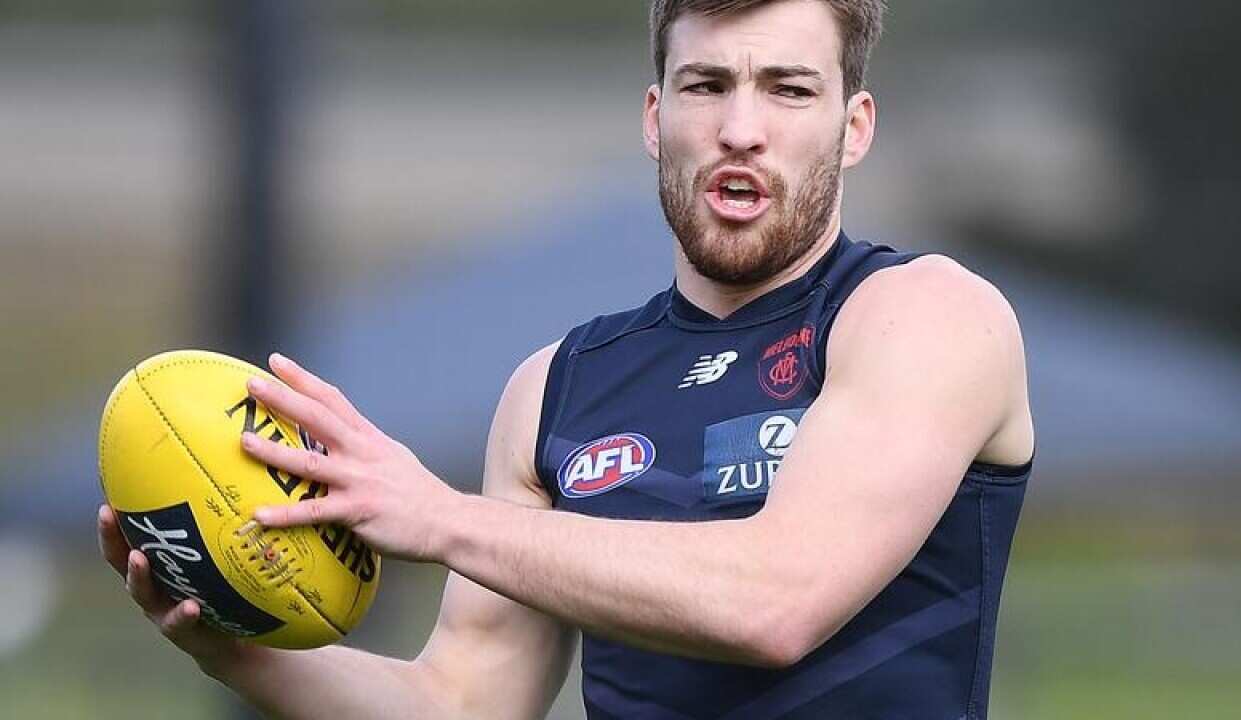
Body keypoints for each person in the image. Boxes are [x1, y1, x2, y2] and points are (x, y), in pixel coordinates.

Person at [97, 0, 1035, 717]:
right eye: (707, 85)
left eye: (790, 89)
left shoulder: (926, 316)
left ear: (854, 125)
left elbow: (778, 602)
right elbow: (462, 702)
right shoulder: (555, 389)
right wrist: (236, 653)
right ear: (654, 116)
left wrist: (439, 516)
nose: (742, 128)